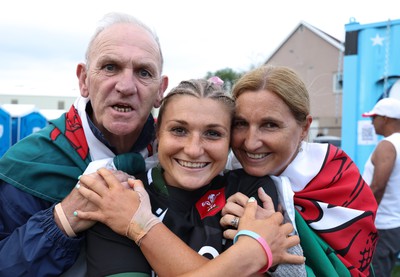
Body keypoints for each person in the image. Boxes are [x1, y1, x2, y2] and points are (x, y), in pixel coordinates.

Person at [76, 78, 305, 276]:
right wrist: (250, 254)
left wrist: (141, 227)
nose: (194, 149)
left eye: (213, 134)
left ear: (230, 141)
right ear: (158, 133)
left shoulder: (251, 190)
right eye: (179, 130)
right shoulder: (119, 196)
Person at [0, 12, 168, 276]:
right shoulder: (29, 162)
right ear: (84, 80)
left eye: (143, 72)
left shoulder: (179, 157)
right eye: (110, 67)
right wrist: (63, 220)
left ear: (160, 90)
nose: (125, 86)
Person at [222, 65, 378, 276]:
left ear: (304, 128)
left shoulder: (339, 179)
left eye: (270, 125)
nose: (250, 143)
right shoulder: (218, 175)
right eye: (240, 123)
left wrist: (273, 245)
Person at [362, 97, 400, 277]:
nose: (371, 122)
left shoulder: (388, 145)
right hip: (394, 224)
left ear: (385, 118)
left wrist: (362, 218)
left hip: (381, 225)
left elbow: (377, 186)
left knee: (374, 272)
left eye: (374, 117)